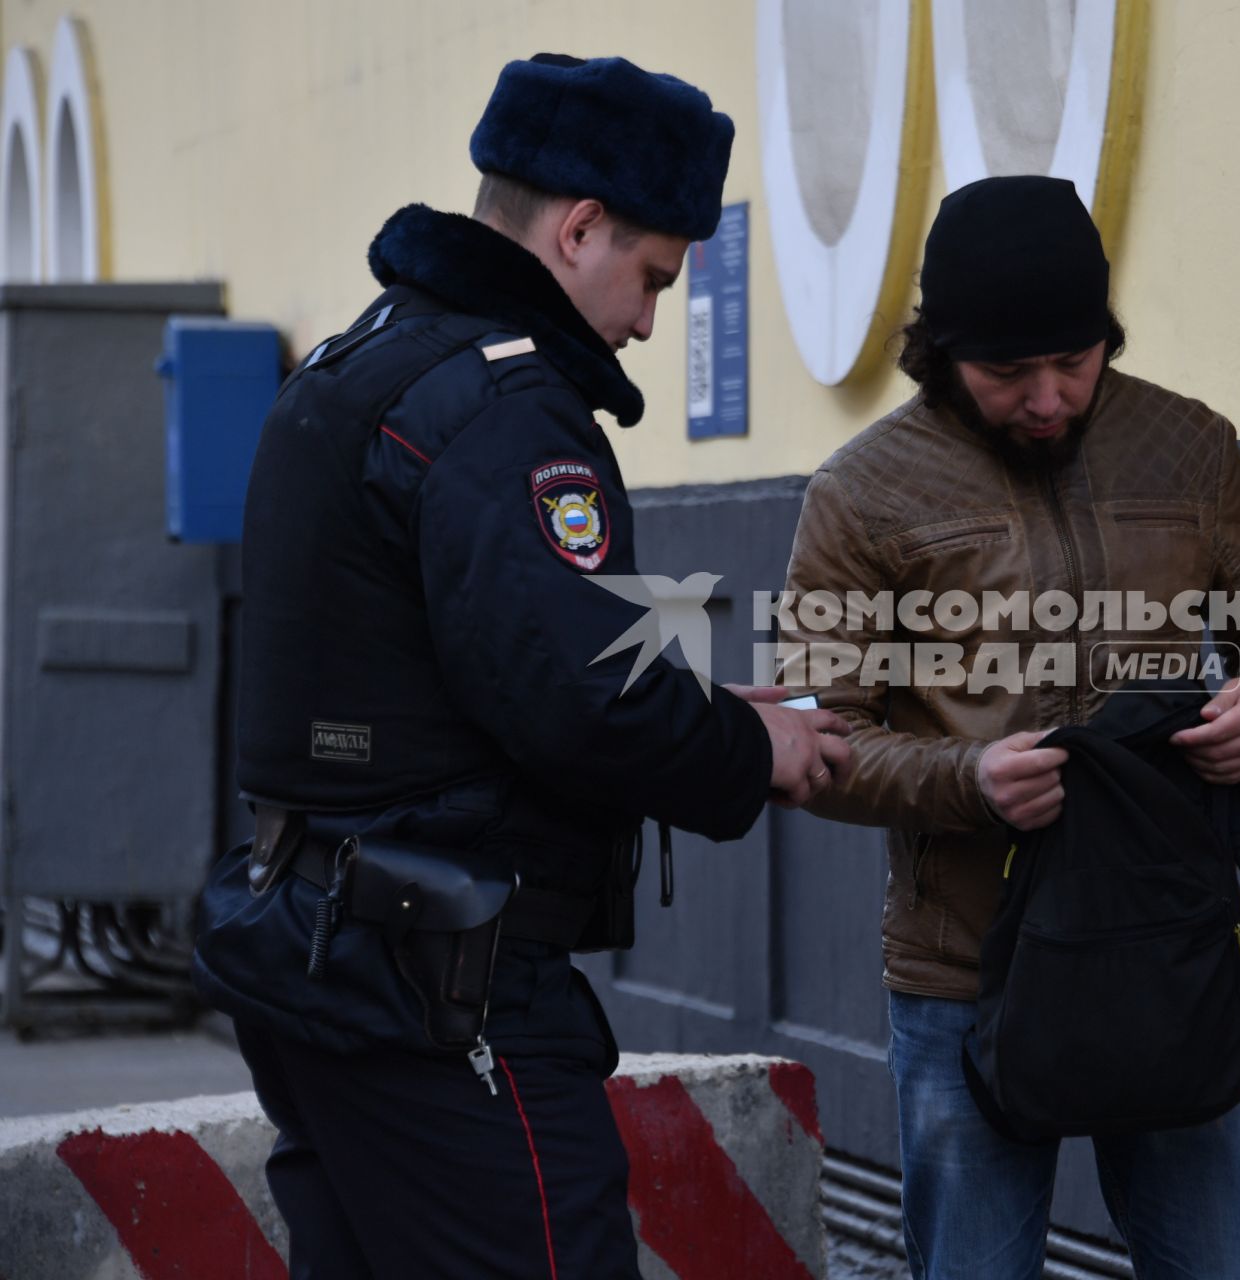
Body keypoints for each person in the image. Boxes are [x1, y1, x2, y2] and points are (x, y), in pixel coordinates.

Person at [192, 54, 849, 1279]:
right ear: (581, 226)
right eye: (651, 276)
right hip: (437, 990)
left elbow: (462, 665)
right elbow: (579, 693)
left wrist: (702, 703)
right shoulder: (502, 406)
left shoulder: (370, 361)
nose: (651, 319)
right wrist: (755, 745)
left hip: (323, 950)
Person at [778, 175, 1240, 1280]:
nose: (1047, 398)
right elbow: (819, 740)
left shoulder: (1189, 444)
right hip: (964, 971)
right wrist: (966, 776)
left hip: (1168, 944)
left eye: (1074, 362)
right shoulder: (860, 491)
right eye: (1007, 372)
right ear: (939, 352)